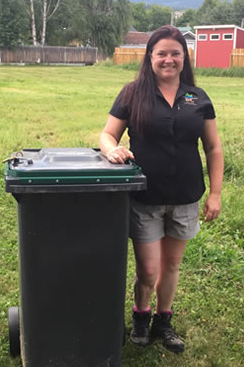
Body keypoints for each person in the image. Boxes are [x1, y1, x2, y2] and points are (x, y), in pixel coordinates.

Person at [99, 25, 223, 354]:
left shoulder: (198, 97)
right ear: (150, 57)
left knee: (170, 267)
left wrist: (215, 194)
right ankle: (141, 315)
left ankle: (163, 321)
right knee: (148, 269)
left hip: (185, 197)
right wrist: (112, 150)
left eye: (175, 53)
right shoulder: (132, 93)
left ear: (185, 57)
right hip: (145, 198)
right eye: (161, 54)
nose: (168, 60)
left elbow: (213, 148)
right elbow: (107, 135)